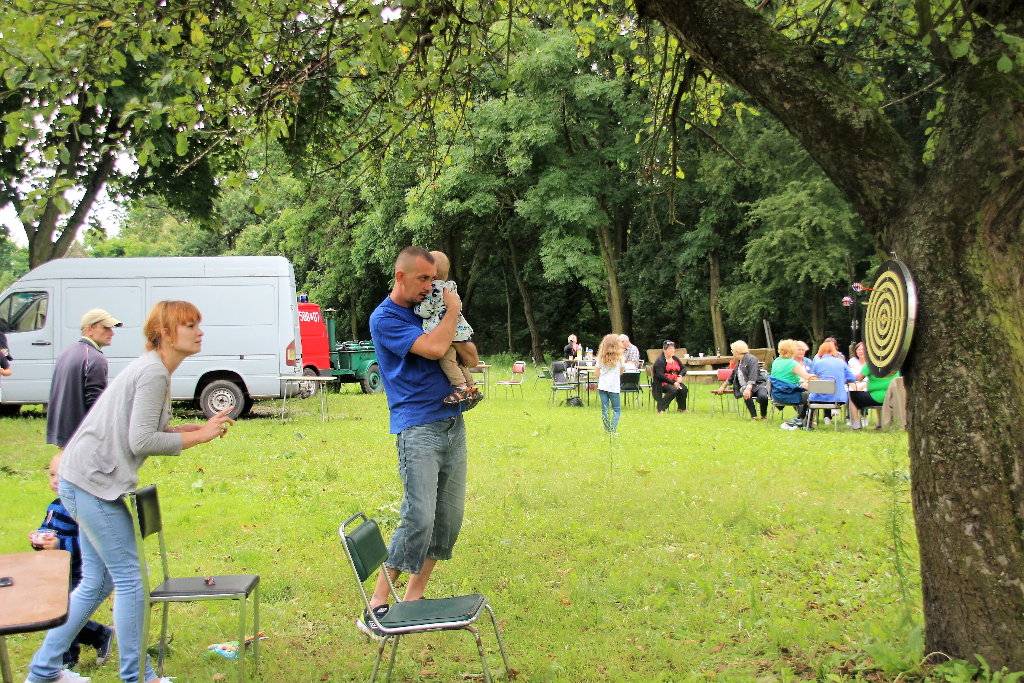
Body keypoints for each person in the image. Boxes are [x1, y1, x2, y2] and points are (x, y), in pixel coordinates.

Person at [24, 301, 235, 683]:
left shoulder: (157, 370)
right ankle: (139, 677)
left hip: (86, 480)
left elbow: (150, 431)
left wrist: (194, 429)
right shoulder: (154, 372)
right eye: (190, 325)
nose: (199, 331)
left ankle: (43, 670)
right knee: (131, 580)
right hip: (91, 483)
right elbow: (140, 440)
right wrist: (200, 437)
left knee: (99, 581)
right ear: (167, 334)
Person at [362, 246, 480, 639]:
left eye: (433, 279)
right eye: (423, 280)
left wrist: (455, 321)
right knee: (419, 517)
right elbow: (431, 348)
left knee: (448, 521)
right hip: (418, 428)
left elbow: (471, 357)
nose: (430, 287)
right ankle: (376, 607)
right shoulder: (386, 318)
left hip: (452, 423)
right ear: (400, 276)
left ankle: (412, 601)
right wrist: (451, 310)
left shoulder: (428, 308)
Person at [29, 454, 113, 672]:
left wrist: (60, 544)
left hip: (78, 571)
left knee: (65, 613)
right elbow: (49, 530)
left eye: (62, 475)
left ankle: (66, 659)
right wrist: (40, 539)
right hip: (57, 572)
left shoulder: (80, 509)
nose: (56, 480)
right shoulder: (55, 506)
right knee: (57, 613)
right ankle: (100, 634)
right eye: (52, 474)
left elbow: (88, 544)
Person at [413, 251, 481, 406]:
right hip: (459, 332)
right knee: (458, 363)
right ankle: (471, 387)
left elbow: (425, 311)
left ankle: (461, 388)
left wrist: (416, 309)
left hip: (444, 333)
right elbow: (458, 306)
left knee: (447, 361)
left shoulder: (433, 290)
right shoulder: (450, 287)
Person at [47, 309, 122, 449]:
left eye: (111, 328)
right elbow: (96, 402)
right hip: (82, 436)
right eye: (106, 328)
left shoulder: (67, 351)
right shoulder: (95, 358)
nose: (112, 333)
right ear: (89, 330)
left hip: (64, 432)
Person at [770, 339, 816, 430]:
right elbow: (806, 376)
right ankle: (805, 420)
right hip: (788, 394)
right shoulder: (792, 364)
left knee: (808, 395)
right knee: (813, 396)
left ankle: (803, 419)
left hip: (776, 393)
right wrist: (819, 376)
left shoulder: (777, 361)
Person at [809, 340, 856, 426]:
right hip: (838, 398)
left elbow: (814, 377)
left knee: (809, 397)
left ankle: (808, 422)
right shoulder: (842, 363)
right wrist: (842, 379)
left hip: (819, 398)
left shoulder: (817, 364)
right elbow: (852, 378)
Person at [848, 356, 900, 430]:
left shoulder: (871, 363)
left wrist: (847, 376)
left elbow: (859, 378)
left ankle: (855, 426)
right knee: (873, 394)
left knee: (852, 395)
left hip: (876, 398)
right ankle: (879, 423)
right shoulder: (894, 363)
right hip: (892, 397)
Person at [726, 340, 769, 421]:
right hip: (746, 386)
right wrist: (723, 386)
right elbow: (732, 376)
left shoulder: (751, 359)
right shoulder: (739, 363)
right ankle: (754, 416)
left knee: (763, 396)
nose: (732, 353)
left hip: (758, 384)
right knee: (745, 393)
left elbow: (753, 374)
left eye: (732, 351)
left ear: (737, 352)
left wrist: (748, 388)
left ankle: (763, 415)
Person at [597, 334, 624, 434]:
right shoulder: (620, 359)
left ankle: (607, 429)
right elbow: (621, 372)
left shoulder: (601, 358)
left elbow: (596, 372)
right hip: (614, 387)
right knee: (616, 409)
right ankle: (613, 429)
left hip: (602, 386)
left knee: (605, 408)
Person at [653, 340, 689, 414]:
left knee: (684, 389)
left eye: (673, 348)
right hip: (661, 383)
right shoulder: (660, 360)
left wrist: (680, 375)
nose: (672, 350)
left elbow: (684, 368)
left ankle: (681, 408)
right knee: (672, 390)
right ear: (664, 350)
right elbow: (660, 375)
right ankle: (660, 409)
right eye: (670, 349)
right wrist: (673, 383)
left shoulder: (675, 358)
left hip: (674, 381)